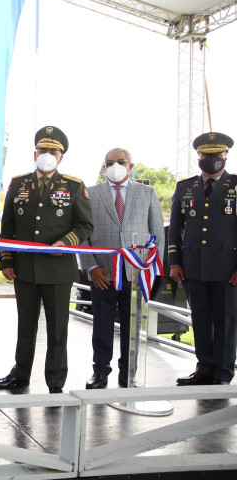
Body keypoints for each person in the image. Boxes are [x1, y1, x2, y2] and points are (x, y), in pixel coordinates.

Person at [0, 126, 93, 394]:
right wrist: (7, 261)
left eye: (53, 151)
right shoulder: (19, 183)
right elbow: (8, 227)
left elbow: (85, 225)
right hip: (24, 268)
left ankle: (56, 381)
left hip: (58, 270)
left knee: (58, 329)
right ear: (34, 153)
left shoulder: (73, 186)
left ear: (61, 157)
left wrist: (66, 242)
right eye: (43, 150)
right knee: (25, 325)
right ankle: (20, 373)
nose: (47, 155)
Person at [80, 148, 164, 389]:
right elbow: (83, 232)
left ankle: (129, 373)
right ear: (104, 167)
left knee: (132, 326)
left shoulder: (147, 193)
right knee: (101, 325)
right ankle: (100, 372)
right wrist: (91, 266)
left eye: (120, 162)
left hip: (136, 273)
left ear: (130, 166)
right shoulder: (89, 193)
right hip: (103, 273)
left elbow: (157, 233)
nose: (115, 166)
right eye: (109, 163)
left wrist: (151, 269)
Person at [170, 132, 237, 386]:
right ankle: (204, 369)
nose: (211, 159)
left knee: (225, 321)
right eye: (205, 155)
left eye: (216, 154)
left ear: (225, 156)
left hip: (227, 268)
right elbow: (175, 227)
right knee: (200, 319)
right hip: (193, 266)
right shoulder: (185, 187)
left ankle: (222, 372)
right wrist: (175, 261)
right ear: (198, 157)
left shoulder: (235, 185)